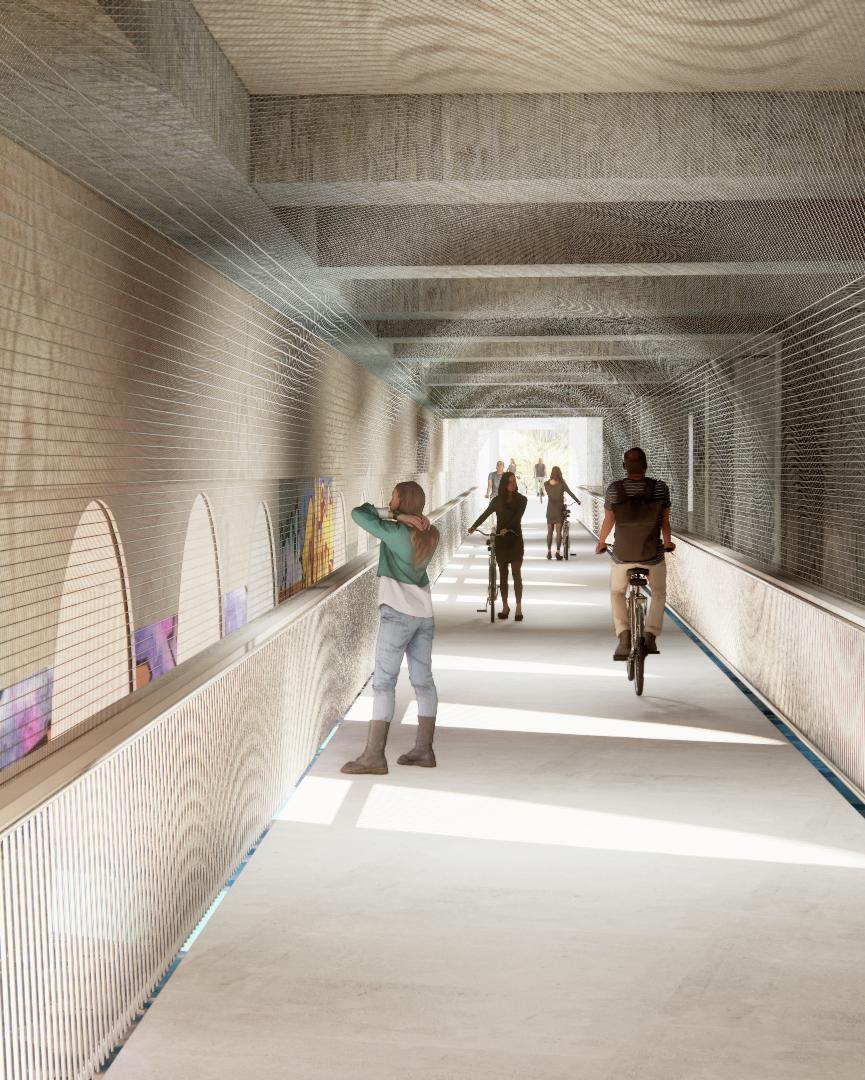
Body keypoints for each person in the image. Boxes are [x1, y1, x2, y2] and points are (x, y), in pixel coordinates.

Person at [342, 482, 441, 774]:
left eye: (393, 497)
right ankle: (424, 750)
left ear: (403, 501)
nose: (389, 499)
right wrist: (403, 516)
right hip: (424, 615)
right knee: (423, 681)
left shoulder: (398, 533)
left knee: (384, 682)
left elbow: (359, 514)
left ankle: (374, 756)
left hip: (397, 615)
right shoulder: (431, 534)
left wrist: (395, 517)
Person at [595, 447, 675, 659]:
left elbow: (608, 521)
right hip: (652, 556)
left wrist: (602, 542)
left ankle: (623, 636)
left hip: (623, 556)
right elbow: (665, 522)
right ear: (646, 466)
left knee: (617, 592)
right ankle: (650, 635)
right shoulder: (660, 488)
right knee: (658, 592)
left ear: (624, 467)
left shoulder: (614, 490)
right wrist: (668, 543)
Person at [468, 471, 527, 621]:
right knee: (503, 575)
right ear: (504, 484)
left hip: (515, 539)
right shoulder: (496, 501)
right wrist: (474, 526)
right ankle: (505, 606)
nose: (513, 484)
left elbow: (517, 518)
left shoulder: (522, 500)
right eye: (510, 482)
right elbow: (485, 514)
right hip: (501, 540)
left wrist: (508, 528)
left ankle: (519, 607)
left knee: (516, 574)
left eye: (514, 481)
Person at [544, 466, 581, 560]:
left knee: (549, 532)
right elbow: (570, 493)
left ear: (552, 473)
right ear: (559, 473)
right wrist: (577, 501)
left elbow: (550, 493)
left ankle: (548, 552)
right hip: (558, 509)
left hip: (550, 510)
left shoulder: (546, 484)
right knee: (558, 532)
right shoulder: (562, 484)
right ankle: (557, 552)